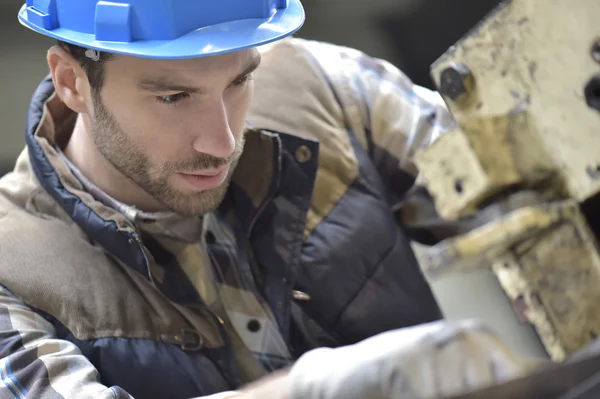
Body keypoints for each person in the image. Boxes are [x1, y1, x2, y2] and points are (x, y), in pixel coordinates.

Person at [0, 0, 538, 398]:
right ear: (71, 81)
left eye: (239, 82)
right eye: (173, 96)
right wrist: (325, 388)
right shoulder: (12, 270)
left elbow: (531, 185)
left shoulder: (325, 89)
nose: (222, 142)